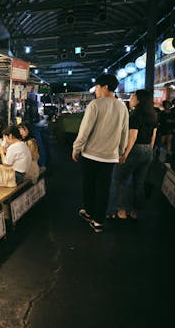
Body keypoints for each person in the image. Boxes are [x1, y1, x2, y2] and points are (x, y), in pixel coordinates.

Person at [72, 74, 129, 233]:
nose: (95, 91)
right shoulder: (122, 107)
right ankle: (98, 221)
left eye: (97, 87)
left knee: (89, 184)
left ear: (105, 87)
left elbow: (85, 130)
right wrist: (121, 152)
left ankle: (89, 212)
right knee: (104, 187)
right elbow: (124, 132)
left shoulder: (95, 105)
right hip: (110, 156)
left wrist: (76, 148)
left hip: (90, 154)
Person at [113, 90, 157, 220]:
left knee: (121, 179)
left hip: (135, 150)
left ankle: (121, 210)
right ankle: (134, 211)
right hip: (148, 150)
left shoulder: (135, 115)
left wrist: (125, 154)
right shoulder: (153, 114)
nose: (131, 99)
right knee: (139, 182)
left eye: (133, 96)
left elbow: (133, 137)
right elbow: (153, 135)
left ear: (139, 100)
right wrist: (149, 150)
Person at [0, 125, 31, 194]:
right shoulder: (22, 144)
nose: (6, 141)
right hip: (22, 175)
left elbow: (6, 163)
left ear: (10, 136)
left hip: (14, 176)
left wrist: (1, 152)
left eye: (6, 138)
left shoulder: (13, 147)